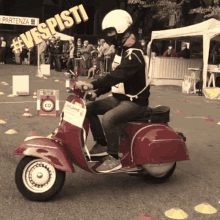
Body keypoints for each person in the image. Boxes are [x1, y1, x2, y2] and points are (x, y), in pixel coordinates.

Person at [75, 9, 150, 173]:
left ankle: (114, 157)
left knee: (108, 119)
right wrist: (98, 92)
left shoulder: (134, 53)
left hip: (134, 102)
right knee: (87, 108)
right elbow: (115, 79)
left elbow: (117, 75)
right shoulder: (122, 50)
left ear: (121, 28)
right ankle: (102, 143)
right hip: (119, 98)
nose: (108, 35)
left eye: (111, 31)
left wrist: (92, 85)